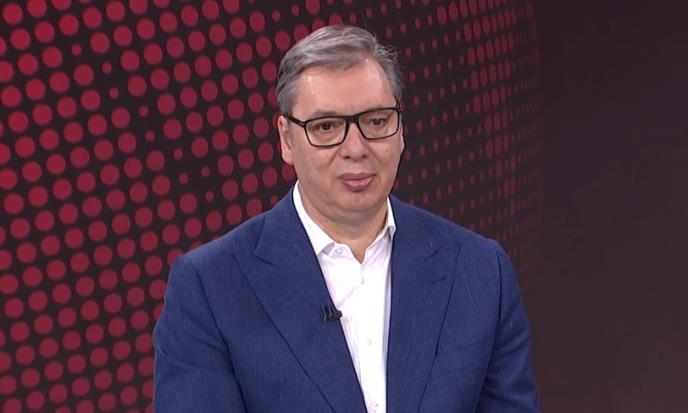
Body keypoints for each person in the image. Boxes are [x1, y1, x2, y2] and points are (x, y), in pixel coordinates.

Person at [153, 25, 540, 413]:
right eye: (326, 127)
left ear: (401, 129)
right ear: (286, 139)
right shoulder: (211, 287)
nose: (356, 148)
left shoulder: (479, 270)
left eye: (376, 121)